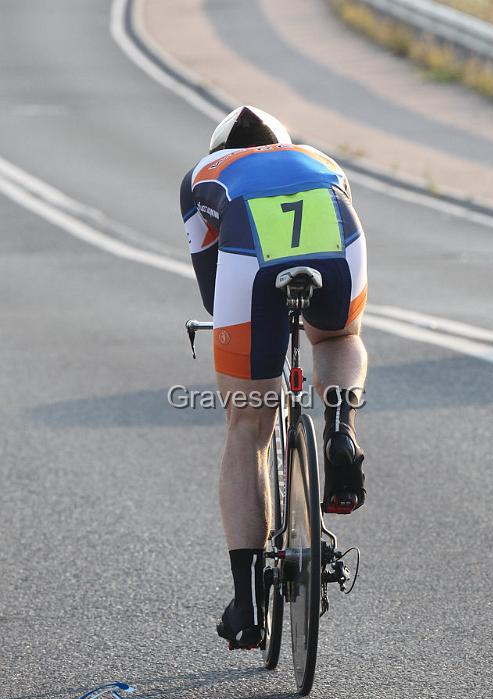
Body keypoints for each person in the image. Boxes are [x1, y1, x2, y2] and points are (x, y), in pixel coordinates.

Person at [180, 106, 367, 650]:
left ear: (219, 149)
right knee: (338, 338)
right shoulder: (317, 158)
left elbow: (213, 290)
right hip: (338, 243)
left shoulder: (201, 177)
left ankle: (247, 604)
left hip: (248, 256)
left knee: (247, 429)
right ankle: (339, 427)